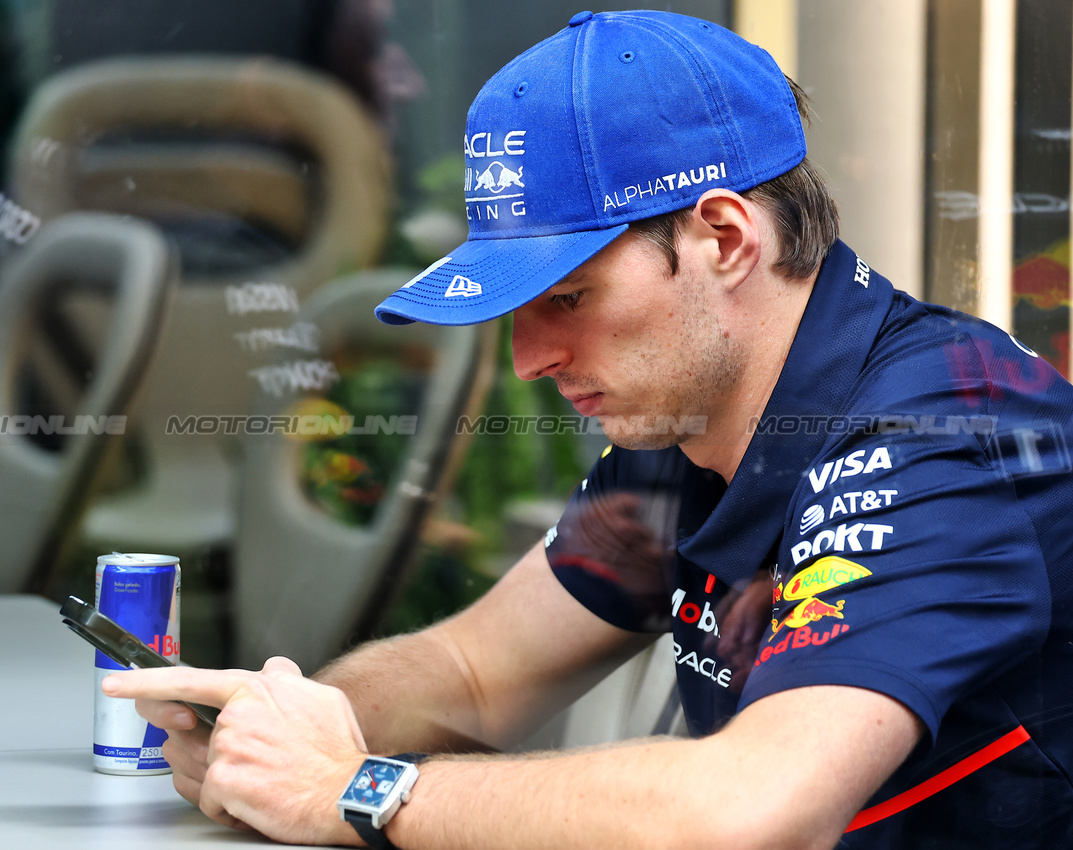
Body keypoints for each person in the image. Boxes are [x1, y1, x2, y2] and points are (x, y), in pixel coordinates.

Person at [102, 10, 1073, 848]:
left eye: (567, 296)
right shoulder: (685, 420)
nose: (528, 357)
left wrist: (350, 788)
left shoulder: (944, 445)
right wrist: (279, 730)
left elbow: (749, 815)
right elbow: (472, 673)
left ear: (725, 239)